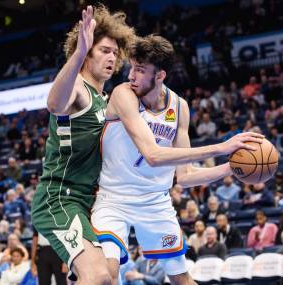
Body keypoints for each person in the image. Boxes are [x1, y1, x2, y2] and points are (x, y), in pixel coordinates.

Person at [92, 35, 263, 285]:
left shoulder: (179, 107)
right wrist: (220, 148)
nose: (131, 76)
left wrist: (232, 167)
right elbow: (153, 155)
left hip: (155, 202)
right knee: (106, 274)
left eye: (140, 71)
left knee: (182, 278)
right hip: (114, 199)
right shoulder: (123, 94)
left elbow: (185, 177)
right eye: (132, 68)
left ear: (160, 75)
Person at [31, 5, 135, 285]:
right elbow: (53, 104)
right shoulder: (77, 87)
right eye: (103, 50)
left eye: (115, 52)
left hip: (90, 202)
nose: (112, 57)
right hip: (59, 198)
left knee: (110, 278)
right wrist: (78, 54)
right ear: (87, 53)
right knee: (98, 275)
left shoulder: (107, 100)